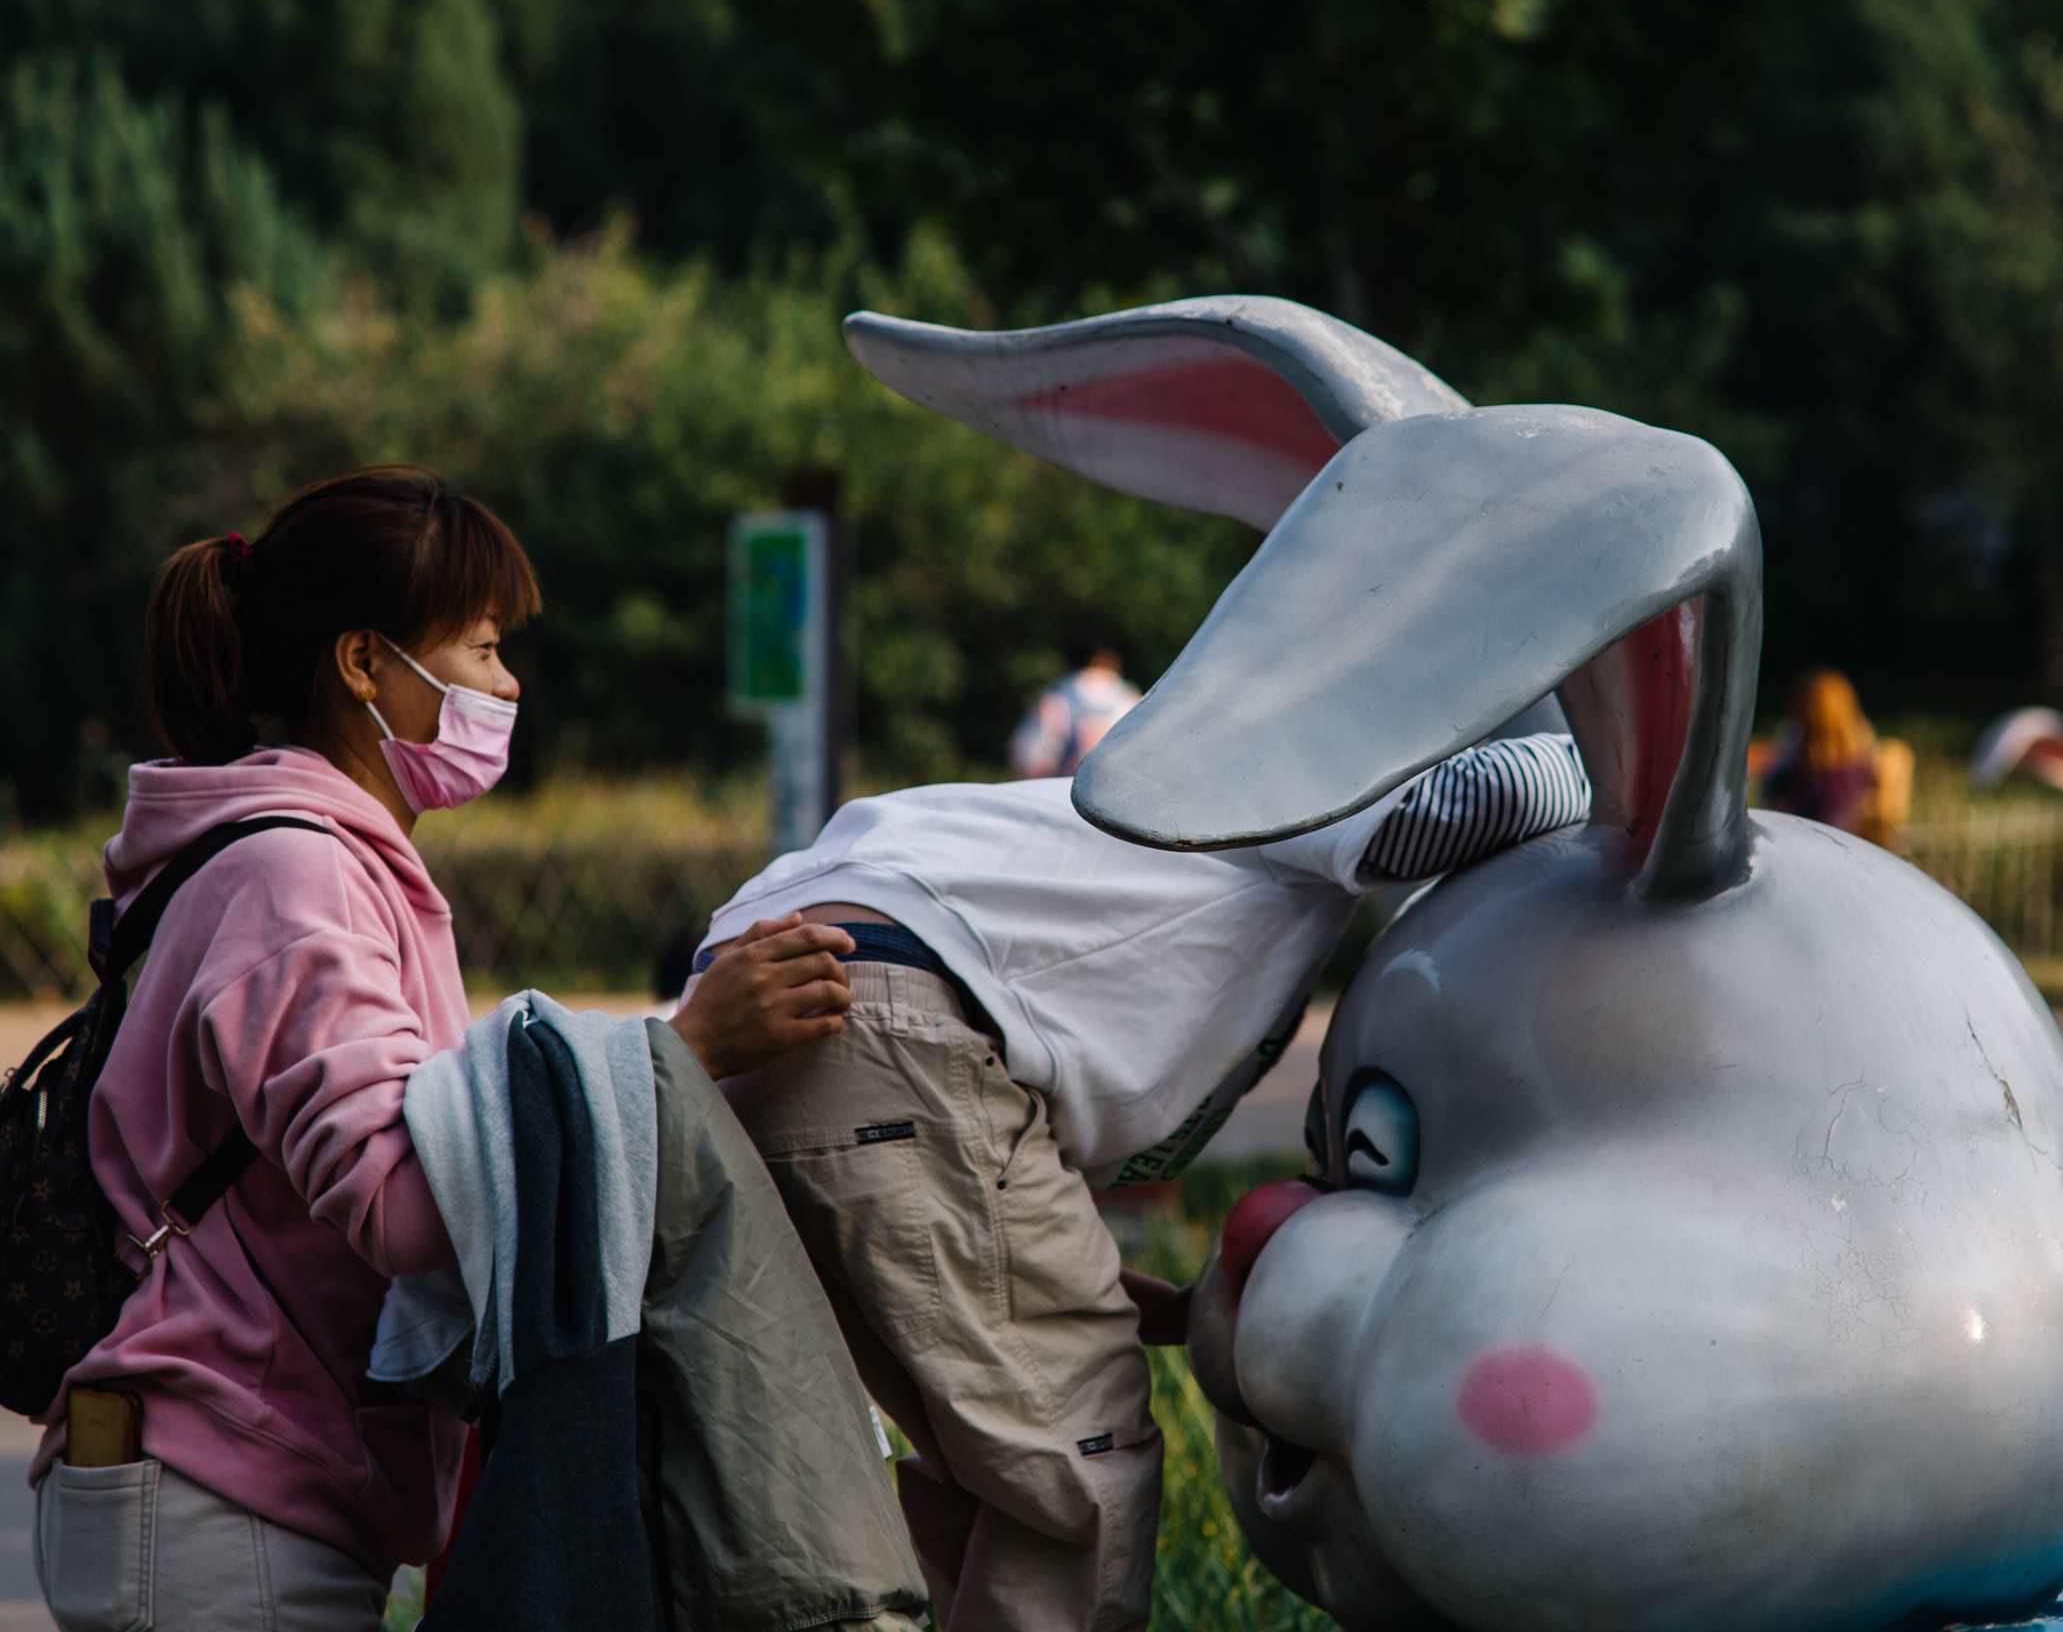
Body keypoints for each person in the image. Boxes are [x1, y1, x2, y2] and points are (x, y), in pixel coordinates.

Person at [32, 467, 850, 1632]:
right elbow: (403, 1199)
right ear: (365, 663)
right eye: (476, 648)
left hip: (254, 1487)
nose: (506, 684)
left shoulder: (326, 857)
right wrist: (680, 1051)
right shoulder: (296, 872)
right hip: (222, 1493)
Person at [693, 730, 1592, 1632]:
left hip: (788, 988)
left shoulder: (1135, 832)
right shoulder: (1279, 767)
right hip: (895, 996)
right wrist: (1633, 758)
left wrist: (1127, 1299)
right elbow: (1474, 799)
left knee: (983, 1452)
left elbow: (978, 1215)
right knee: (1075, 1451)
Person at [1756, 669, 1913, 851]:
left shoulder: (1794, 765)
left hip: (1801, 849)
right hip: (1852, 851)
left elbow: (1771, 809)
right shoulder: (1864, 760)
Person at [1009, 643, 1143, 778]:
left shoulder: (1060, 694)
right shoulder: (1129, 695)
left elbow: (1033, 759)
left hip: (1062, 787)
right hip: (1114, 785)